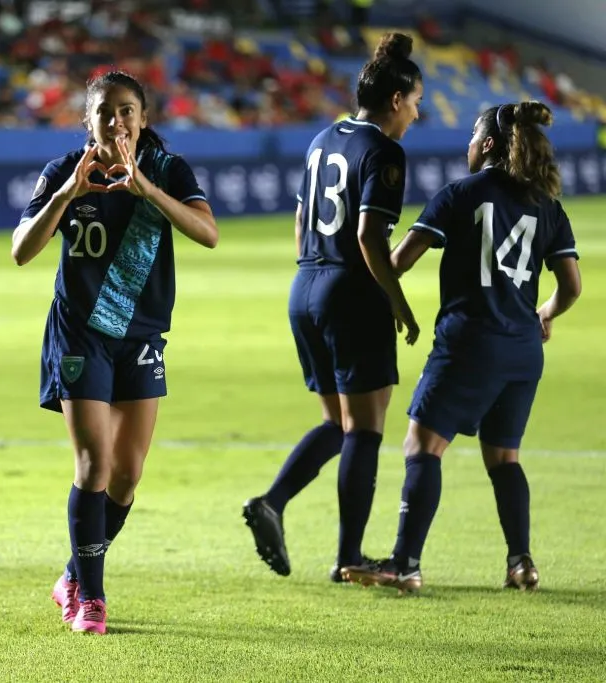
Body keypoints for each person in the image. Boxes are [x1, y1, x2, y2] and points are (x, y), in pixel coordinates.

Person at [342, 102, 581, 593]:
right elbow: (572, 286)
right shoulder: (548, 206)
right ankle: (522, 563)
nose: (468, 144)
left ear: (489, 144)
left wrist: (370, 271)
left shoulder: (459, 195)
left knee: (422, 446)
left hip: (468, 344)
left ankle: (404, 564)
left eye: (473, 136)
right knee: (504, 458)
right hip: (522, 352)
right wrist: (545, 314)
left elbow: (399, 261)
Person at [11, 70, 218, 635]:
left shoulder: (168, 169)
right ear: (89, 120)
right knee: (94, 466)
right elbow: (21, 251)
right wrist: (65, 195)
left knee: (127, 476)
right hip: (80, 335)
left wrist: (146, 191)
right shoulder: (64, 172)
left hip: (141, 335)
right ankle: (92, 600)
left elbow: (208, 233)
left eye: (128, 110)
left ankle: (72, 575)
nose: (118, 120)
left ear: (144, 117)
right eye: (106, 111)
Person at [242, 33, 422, 581]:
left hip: (306, 286)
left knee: (335, 423)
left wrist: (315, 270)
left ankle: (272, 502)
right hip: (351, 293)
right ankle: (348, 556)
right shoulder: (385, 152)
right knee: (365, 429)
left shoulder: (323, 138)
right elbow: (370, 235)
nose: (418, 111)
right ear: (395, 100)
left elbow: (302, 221)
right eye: (415, 101)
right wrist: (398, 300)